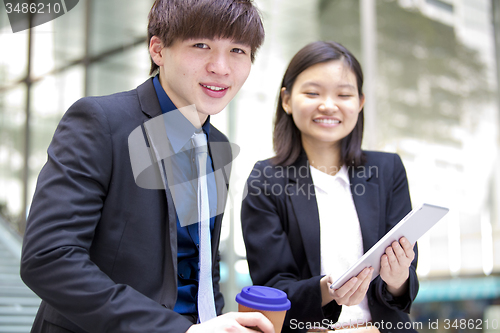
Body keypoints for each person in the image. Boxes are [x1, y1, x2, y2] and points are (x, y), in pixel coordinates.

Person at [20, 1, 275, 332]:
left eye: (238, 50)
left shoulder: (217, 145)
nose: (221, 67)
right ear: (158, 49)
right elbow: (48, 259)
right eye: (201, 45)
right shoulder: (100, 122)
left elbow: (201, 267)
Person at [241, 41, 419, 333]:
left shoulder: (388, 171)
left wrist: (397, 277)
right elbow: (271, 288)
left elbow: (404, 289)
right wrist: (329, 291)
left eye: (343, 94)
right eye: (312, 93)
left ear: (359, 103)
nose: (328, 105)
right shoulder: (266, 179)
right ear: (286, 100)